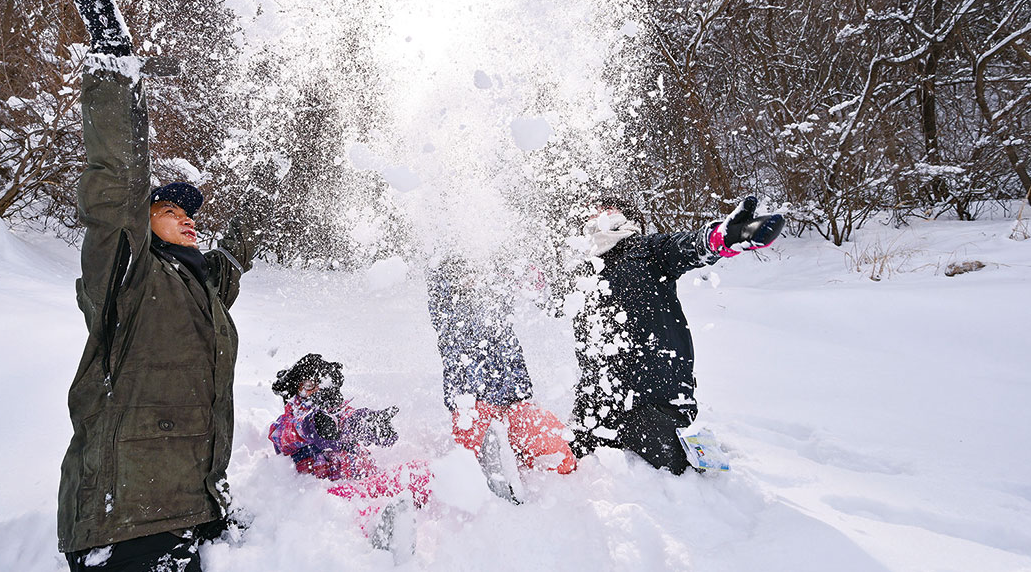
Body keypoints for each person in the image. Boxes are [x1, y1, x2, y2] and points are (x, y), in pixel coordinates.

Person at [56, 0, 269, 572]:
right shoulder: (130, 276)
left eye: (192, 210)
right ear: (140, 221)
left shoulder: (202, 288)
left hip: (196, 509)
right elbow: (117, 179)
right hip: (128, 522)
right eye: (169, 207)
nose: (188, 215)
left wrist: (274, 159)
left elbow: (239, 245)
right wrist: (113, 61)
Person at [569, 195, 783, 475]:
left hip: (654, 403)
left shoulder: (647, 250)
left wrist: (721, 238)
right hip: (596, 408)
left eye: (607, 208)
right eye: (591, 212)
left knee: (681, 482)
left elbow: (688, 247)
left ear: (625, 216)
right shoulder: (581, 273)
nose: (598, 215)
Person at [426, 256, 576, 502]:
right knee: (475, 468)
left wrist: (531, 273)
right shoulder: (447, 309)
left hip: (515, 401)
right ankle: (497, 490)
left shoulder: (495, 281)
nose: (470, 277)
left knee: (560, 456)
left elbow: (543, 291)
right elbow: (439, 277)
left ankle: (515, 460)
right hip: (472, 405)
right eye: (463, 271)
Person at [267, 354, 432, 554]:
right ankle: (382, 537)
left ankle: (414, 511)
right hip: (334, 496)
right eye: (309, 385)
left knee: (420, 471)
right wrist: (312, 424)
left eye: (321, 383)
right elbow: (283, 437)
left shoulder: (339, 414)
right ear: (296, 391)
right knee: (347, 507)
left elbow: (350, 420)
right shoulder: (288, 422)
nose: (316, 390)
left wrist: (370, 425)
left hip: (368, 481)